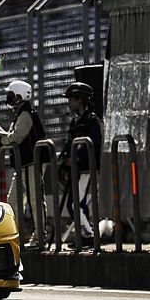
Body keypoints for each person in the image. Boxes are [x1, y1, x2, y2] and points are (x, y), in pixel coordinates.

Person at [0, 80, 47, 249]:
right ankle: (13, 236)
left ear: (19, 96)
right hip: (23, 165)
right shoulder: (21, 113)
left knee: (35, 200)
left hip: (31, 163)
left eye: (11, 95)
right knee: (13, 202)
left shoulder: (26, 114)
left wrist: (2, 139)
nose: (8, 98)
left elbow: (17, 136)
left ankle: (40, 236)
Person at [58, 82, 102, 246]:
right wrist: (64, 161)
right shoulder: (75, 121)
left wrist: (77, 157)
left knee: (75, 203)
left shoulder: (91, 120)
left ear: (81, 100)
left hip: (86, 168)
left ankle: (89, 234)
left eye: (72, 99)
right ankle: (85, 234)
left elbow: (93, 144)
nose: (69, 103)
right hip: (76, 169)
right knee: (76, 203)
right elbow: (70, 144)